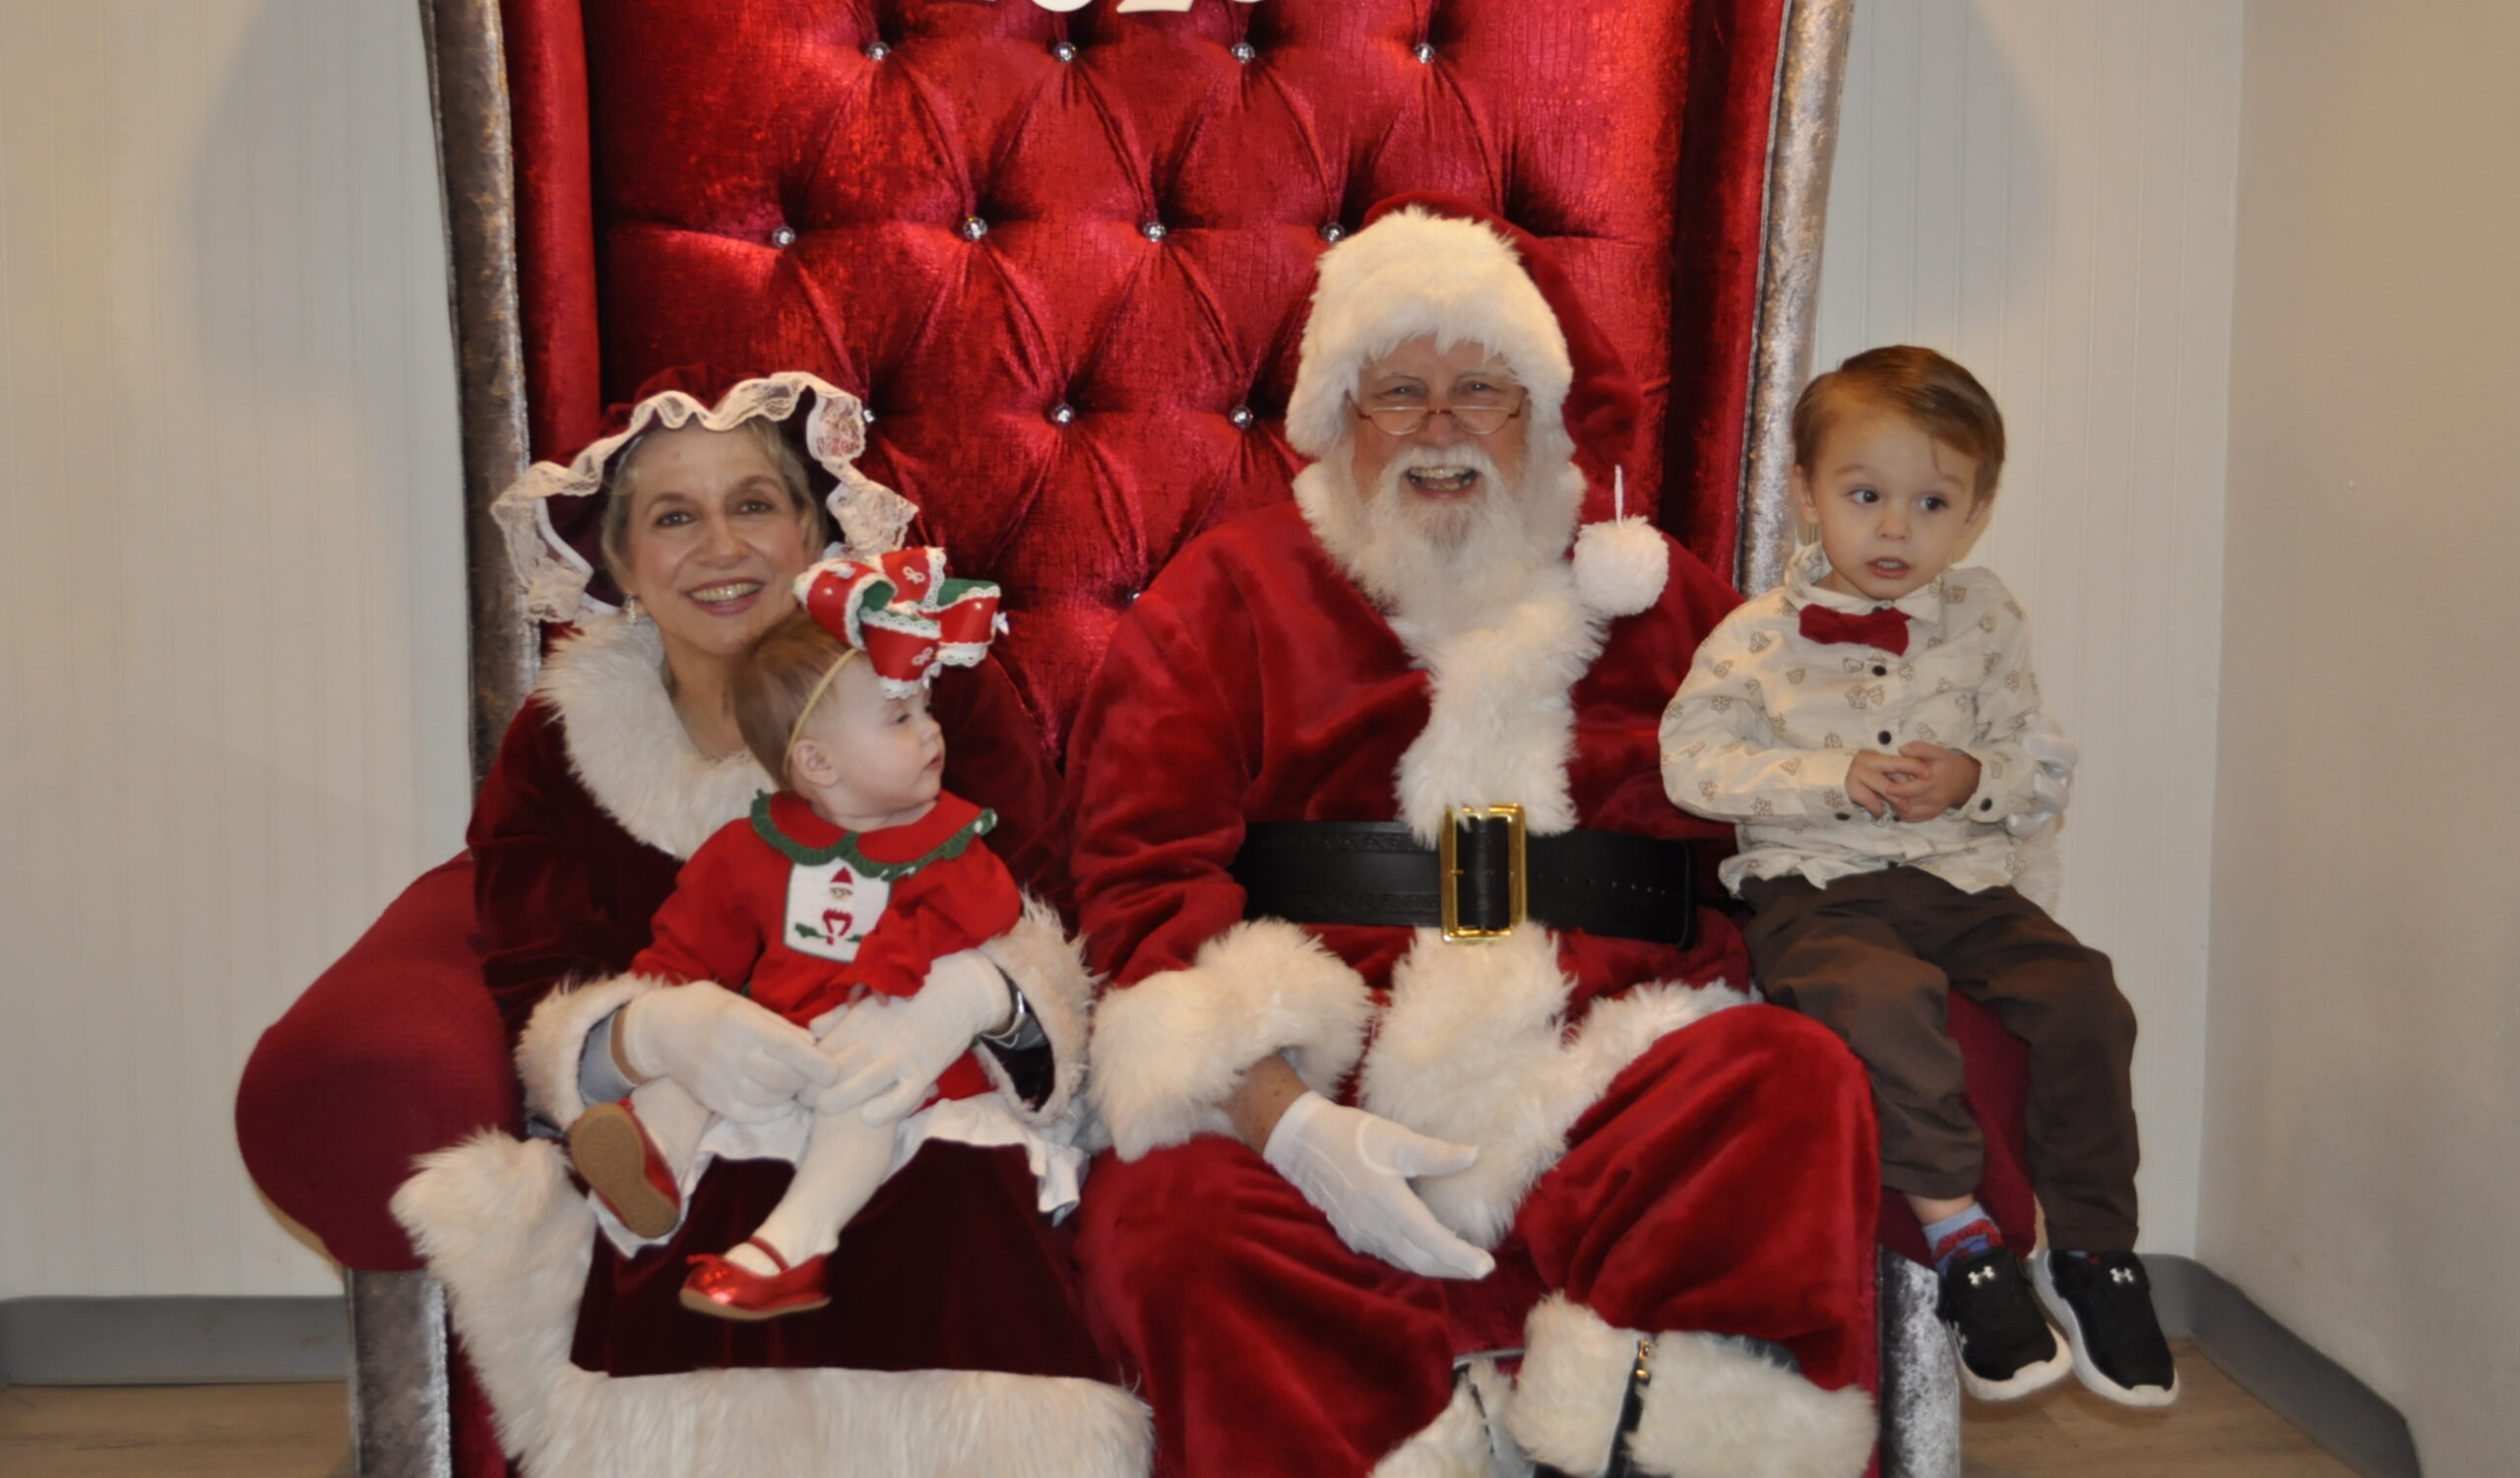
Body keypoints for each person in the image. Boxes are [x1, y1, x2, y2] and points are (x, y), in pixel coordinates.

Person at [1063, 200, 1885, 1478]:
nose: (1440, 429)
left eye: (1480, 391)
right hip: (1327, 1073)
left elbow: (1793, 806)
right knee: (1168, 1216)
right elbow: (1139, 882)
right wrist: (1286, 1120)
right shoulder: (1225, 591)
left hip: (1606, 1059)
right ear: (1339, 414)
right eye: (1399, 392)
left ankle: (1646, 1440)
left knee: (1788, 1077)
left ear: (1539, 412)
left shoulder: (1653, 593)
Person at [389, 368, 1148, 1477]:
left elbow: (1047, 915)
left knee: (947, 1194)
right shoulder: (556, 744)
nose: (722, 546)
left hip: (922, 1089)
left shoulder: (929, 694)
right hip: (706, 1113)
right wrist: (653, 1033)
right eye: (673, 516)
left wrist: (970, 1000)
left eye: (753, 503)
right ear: (619, 561)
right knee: (695, 1207)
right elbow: (534, 973)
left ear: (814, 529)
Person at [1656, 345, 2175, 1409]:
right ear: (1808, 494)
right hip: (1816, 889)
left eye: (1931, 502)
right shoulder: (1753, 638)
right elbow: (1691, 766)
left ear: (1975, 512)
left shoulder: (1988, 619)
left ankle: (2092, 1251)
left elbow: (2032, 761)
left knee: (2086, 996)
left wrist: (1972, 777)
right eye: (1865, 496)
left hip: (1966, 884)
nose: (1895, 528)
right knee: (1884, 1003)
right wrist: (1830, 775)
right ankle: (1962, 1240)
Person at [567, 549, 1089, 1321]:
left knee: (859, 1102)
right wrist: (673, 1023)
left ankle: (795, 1246)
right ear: (817, 762)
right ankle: (651, 1165)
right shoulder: (750, 849)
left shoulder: (948, 844)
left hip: (905, 1068)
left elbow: (985, 922)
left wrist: (885, 977)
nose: (932, 733)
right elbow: (687, 952)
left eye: (926, 710)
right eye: (901, 718)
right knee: (694, 1071)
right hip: (789, 1048)